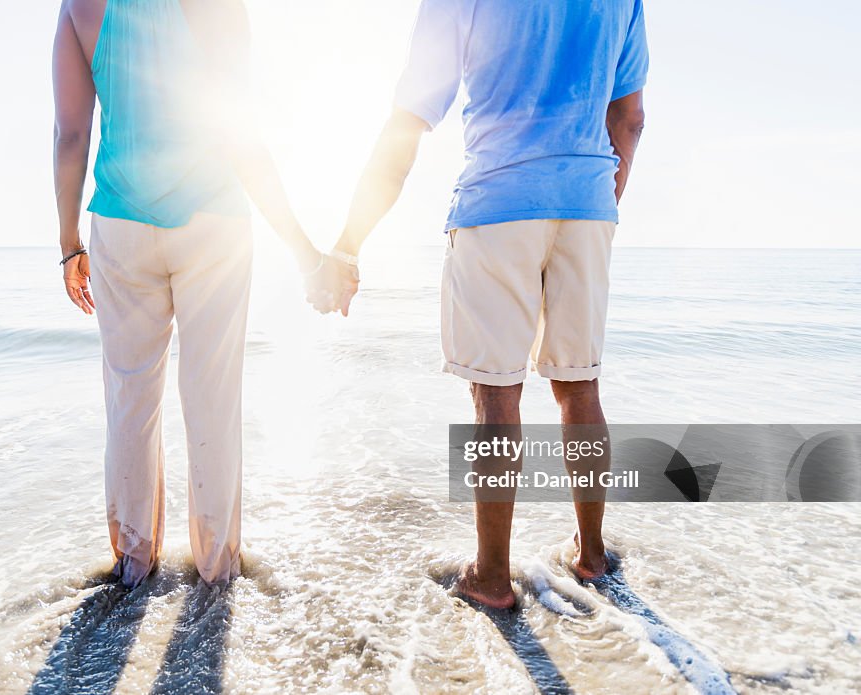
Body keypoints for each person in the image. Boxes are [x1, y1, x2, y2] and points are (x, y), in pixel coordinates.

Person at [312, 0, 648, 609]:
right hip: (587, 204)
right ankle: (592, 556)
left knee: (497, 392)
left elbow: (406, 125)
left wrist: (347, 243)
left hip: (498, 202)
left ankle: (491, 578)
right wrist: (602, 192)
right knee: (580, 385)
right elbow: (629, 116)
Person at [52, 0, 354, 588]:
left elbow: (71, 134)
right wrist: (303, 250)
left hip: (121, 222)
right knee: (212, 398)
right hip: (212, 220)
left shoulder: (80, 8)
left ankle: (134, 568)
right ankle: (217, 571)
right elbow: (240, 134)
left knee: (130, 402)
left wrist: (68, 242)